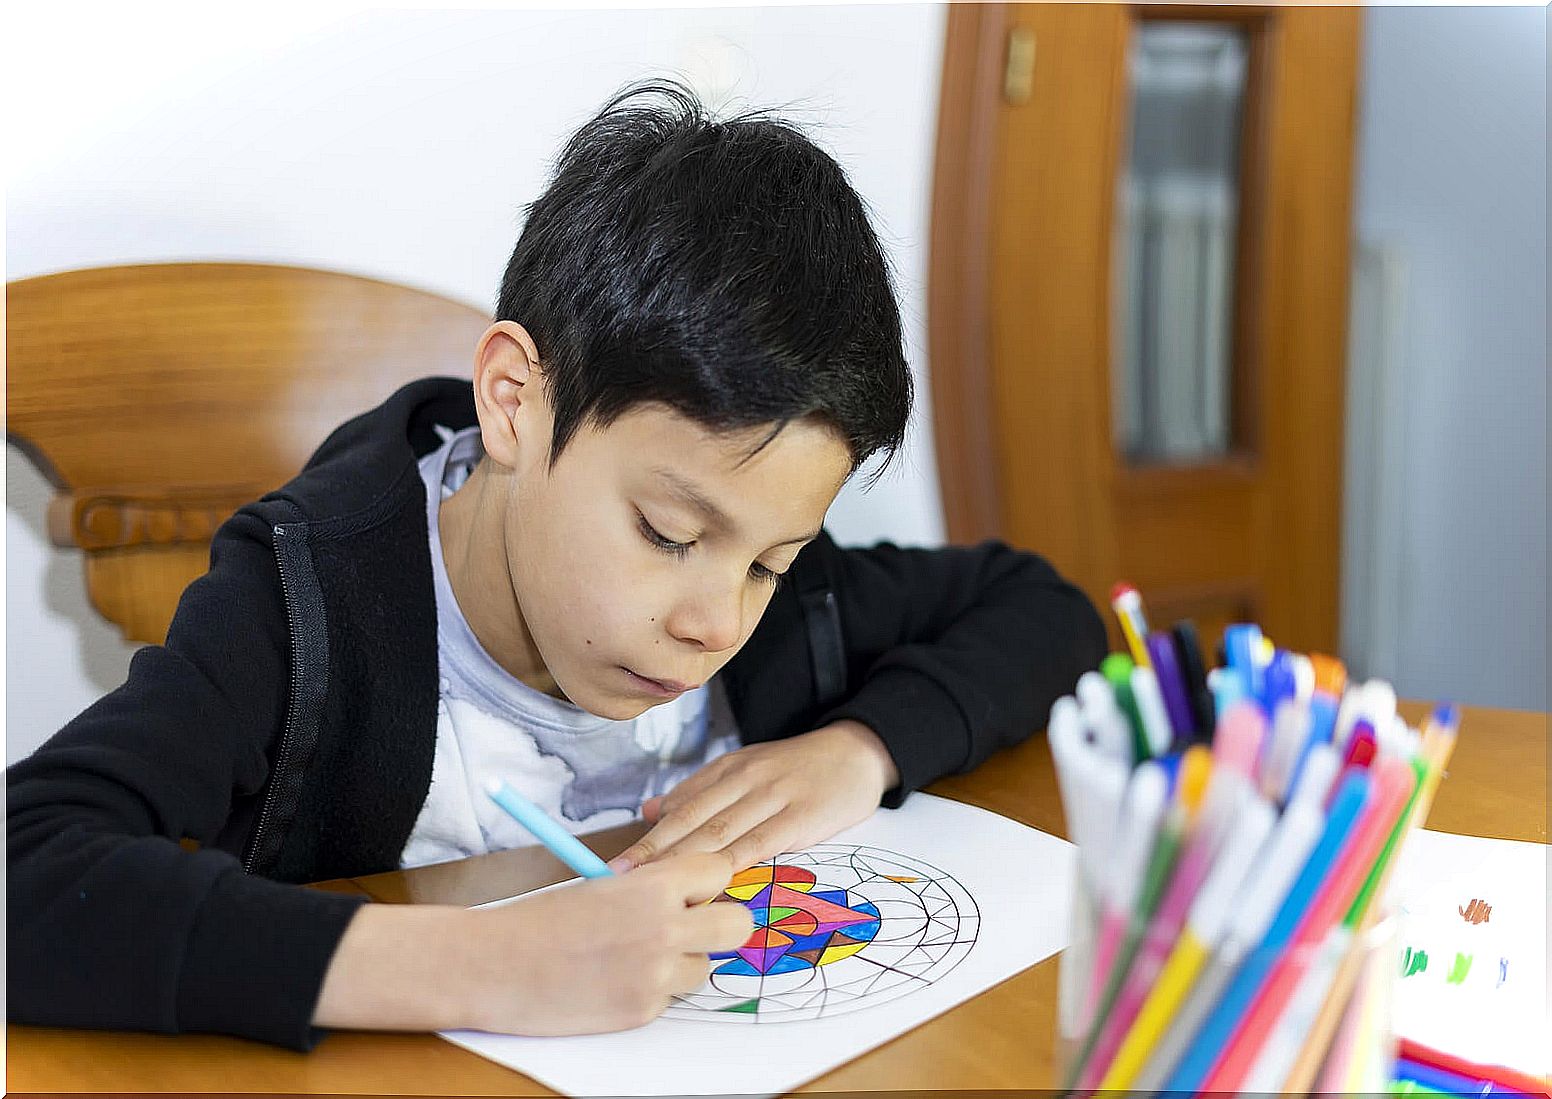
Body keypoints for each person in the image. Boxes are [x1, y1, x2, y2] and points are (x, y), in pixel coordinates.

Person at [7, 81, 1105, 1049]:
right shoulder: (304, 612)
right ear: (514, 404)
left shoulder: (779, 602)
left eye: (771, 559)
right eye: (668, 536)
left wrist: (861, 748)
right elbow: (27, 871)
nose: (717, 620)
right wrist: (489, 965)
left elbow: (1047, 611)